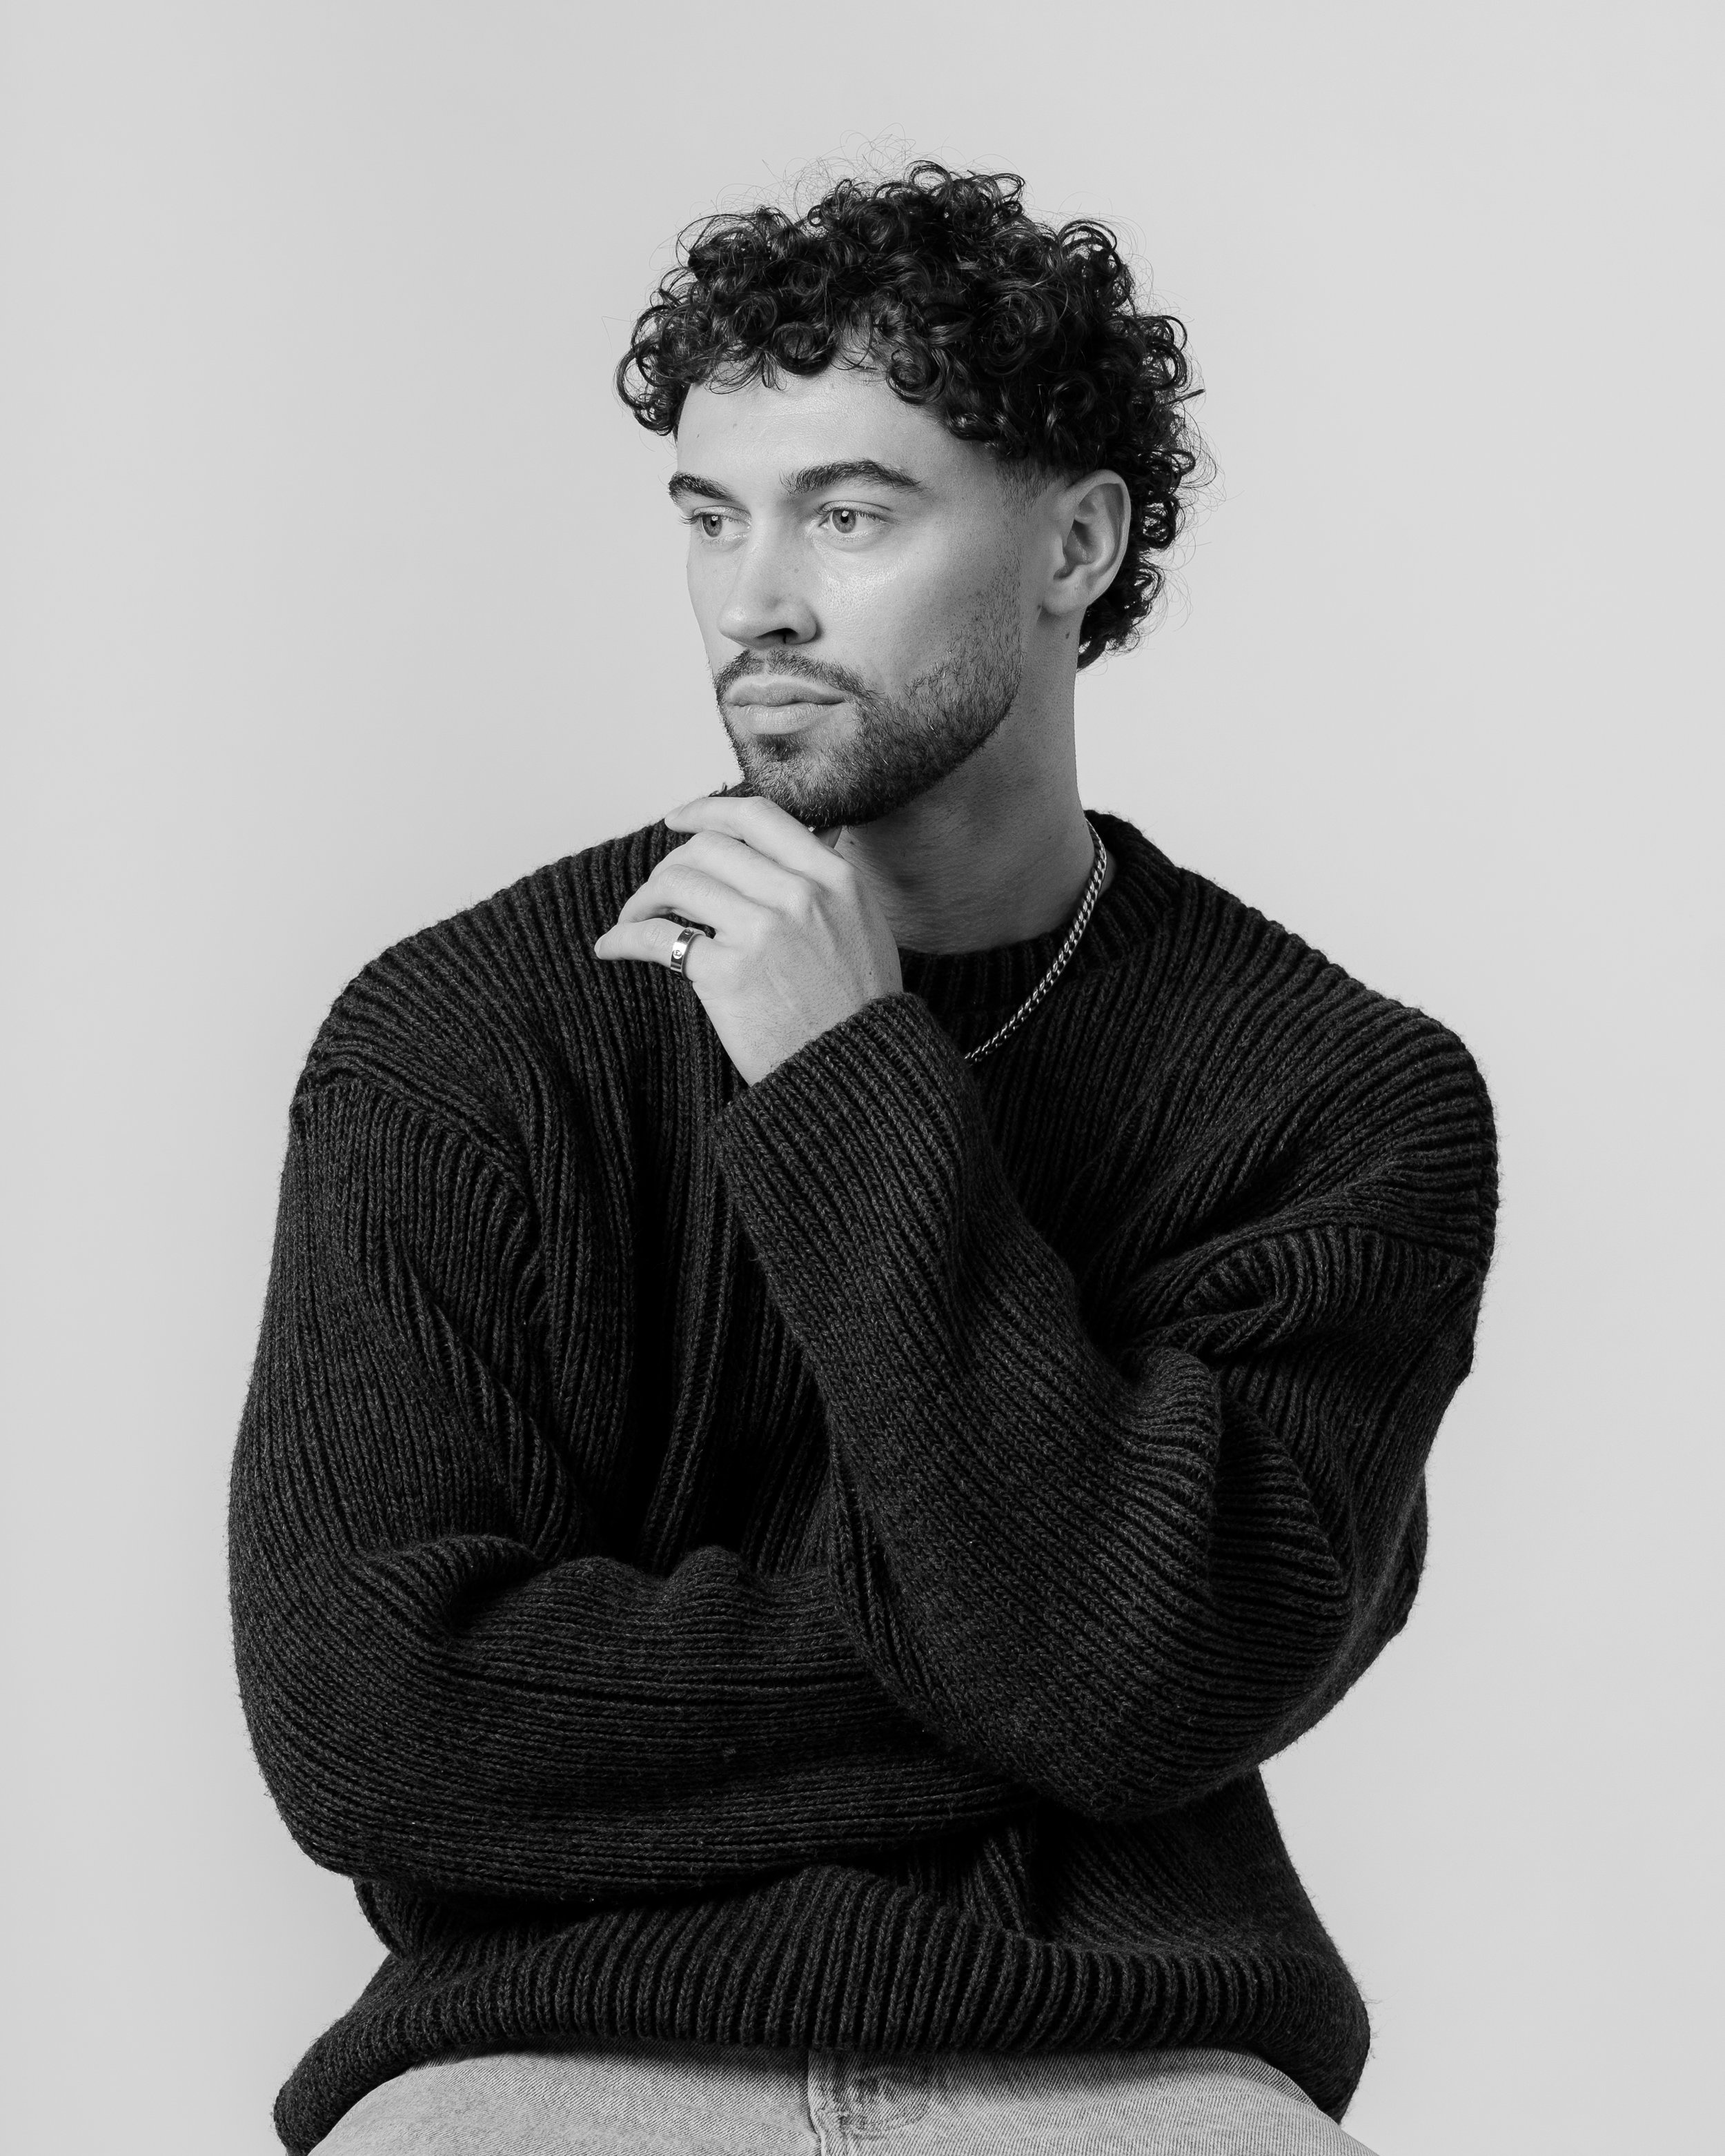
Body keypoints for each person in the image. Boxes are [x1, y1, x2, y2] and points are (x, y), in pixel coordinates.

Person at [229, 161, 1497, 2155]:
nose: (760, 600)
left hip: (1137, 2078)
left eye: (851, 510)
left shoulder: (1343, 1101)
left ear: (1075, 541)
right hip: (547, 2064)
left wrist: (841, 1078)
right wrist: (1069, 1652)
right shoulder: (462, 1041)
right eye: (713, 517)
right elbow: (372, 1731)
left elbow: (1149, 1680)